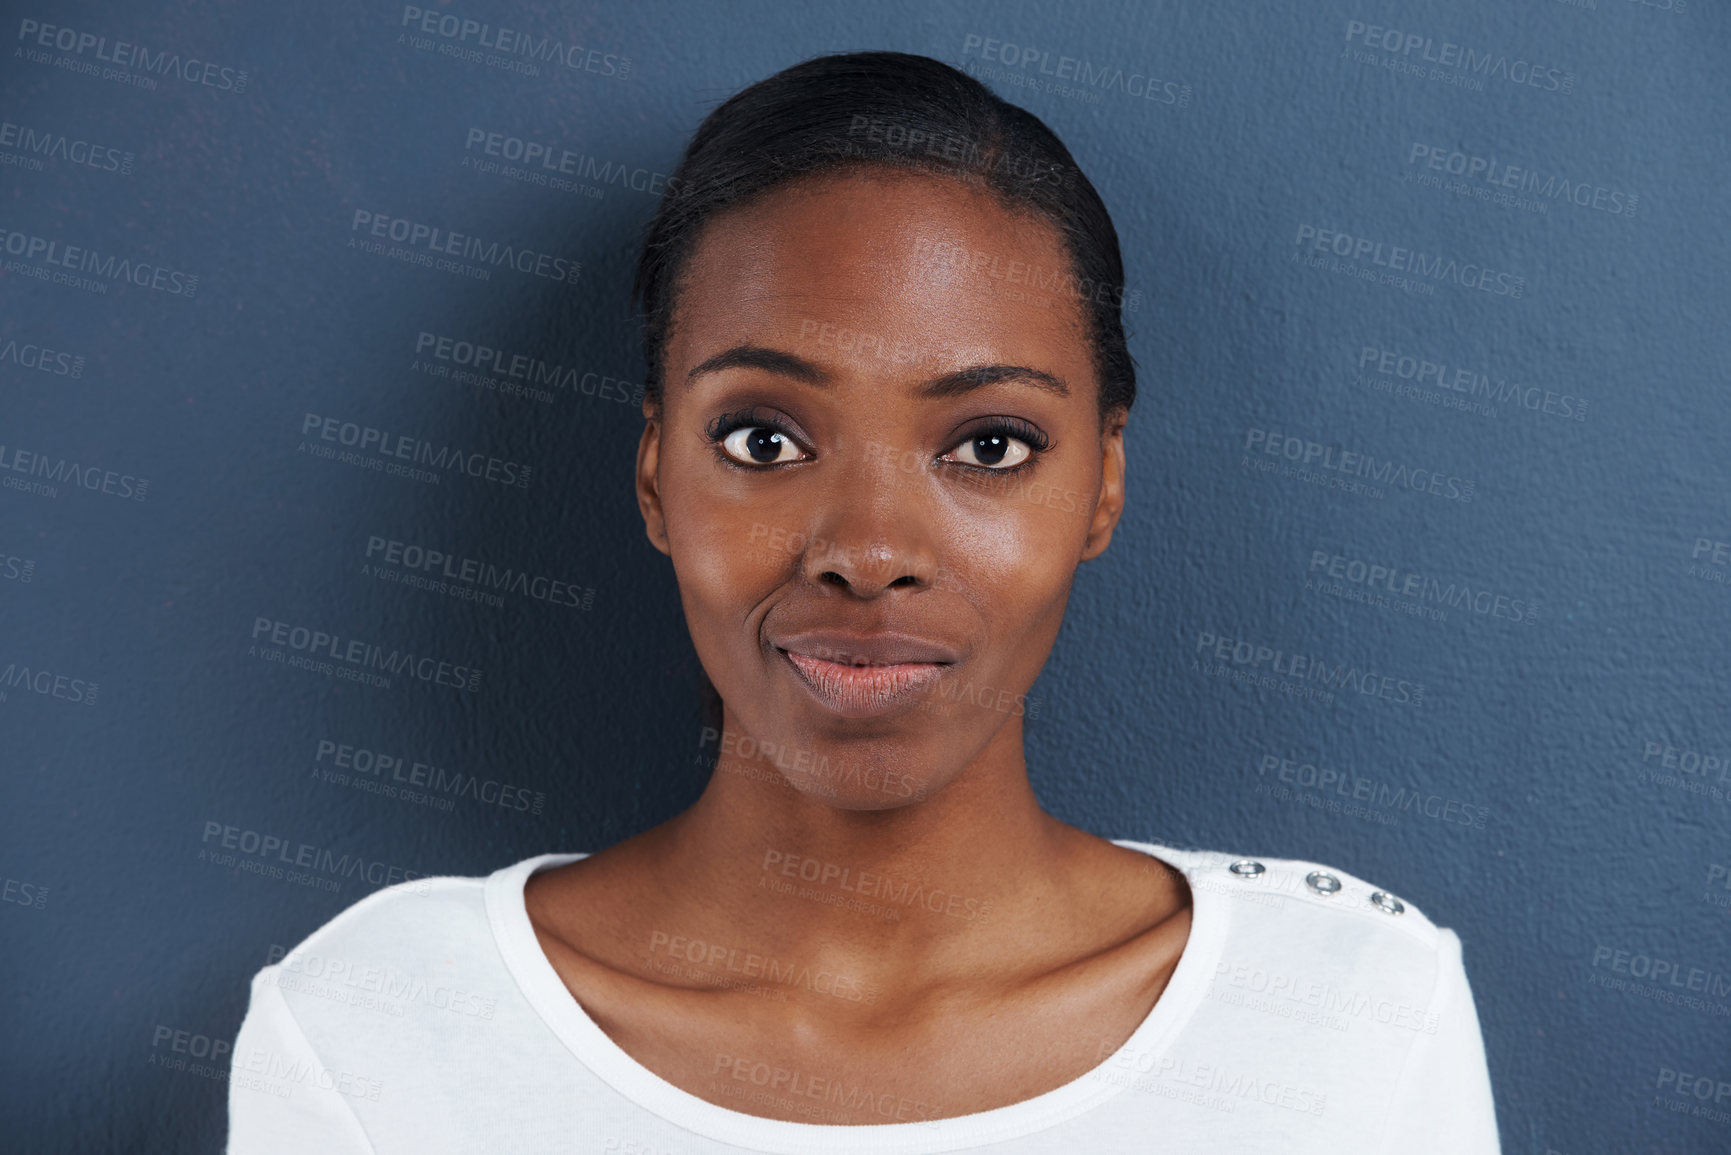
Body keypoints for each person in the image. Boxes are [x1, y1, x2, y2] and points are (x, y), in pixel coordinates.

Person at [226, 51, 1500, 1153]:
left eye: (989, 446)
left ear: (1103, 485)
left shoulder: (1349, 1015)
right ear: (655, 476)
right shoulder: (379, 1028)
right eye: (765, 442)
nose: (872, 550)